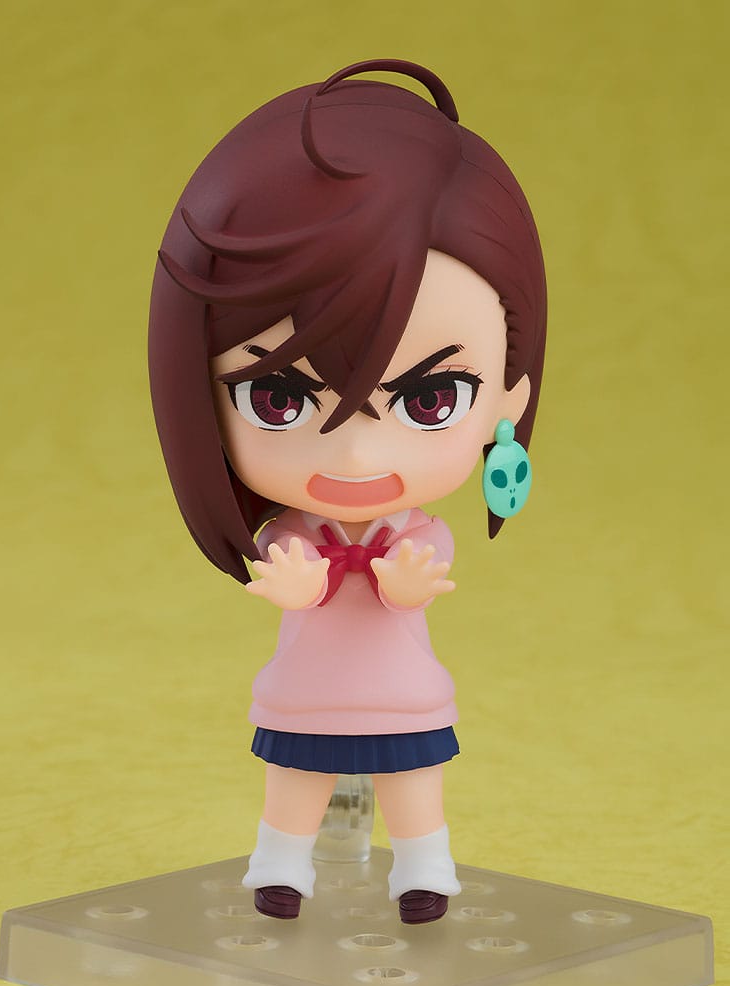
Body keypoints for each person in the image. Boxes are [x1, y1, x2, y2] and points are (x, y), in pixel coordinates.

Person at [148, 58, 547, 924]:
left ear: (507, 398)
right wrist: (289, 584)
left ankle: (425, 872)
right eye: (279, 399)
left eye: (430, 399)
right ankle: (280, 868)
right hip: (306, 693)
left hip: (403, 695)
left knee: (415, 784)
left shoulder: (416, 535)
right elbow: (285, 569)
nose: (359, 454)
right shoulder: (291, 536)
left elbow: (419, 576)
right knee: (293, 780)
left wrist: (405, 583)